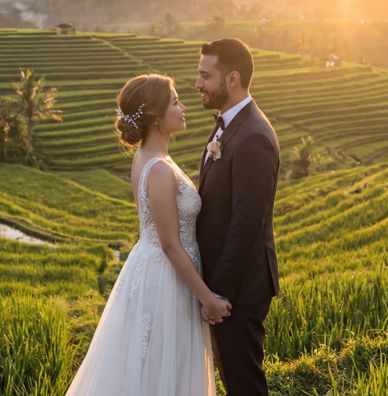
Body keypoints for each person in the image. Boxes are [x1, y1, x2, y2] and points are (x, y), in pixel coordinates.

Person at [66, 73, 230, 395]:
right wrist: (207, 298)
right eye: (175, 102)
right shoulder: (158, 168)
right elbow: (170, 244)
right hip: (167, 279)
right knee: (163, 369)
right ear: (156, 117)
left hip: (161, 271)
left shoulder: (152, 159)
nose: (183, 107)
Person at [195, 38, 281, 395]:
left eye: (204, 75)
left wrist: (218, 295)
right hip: (227, 286)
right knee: (235, 379)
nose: (197, 83)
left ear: (231, 79)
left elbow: (248, 223)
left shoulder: (253, 137)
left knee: (244, 383)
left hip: (239, 290)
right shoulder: (228, 124)